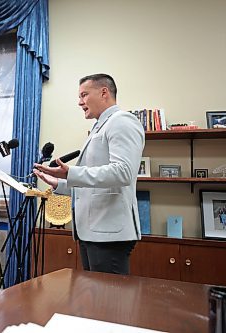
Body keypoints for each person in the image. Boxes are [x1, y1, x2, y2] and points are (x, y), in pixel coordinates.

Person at [33, 74, 145, 275]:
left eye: (84, 95)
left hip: (108, 233)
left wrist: (72, 173)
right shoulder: (97, 128)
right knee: (95, 298)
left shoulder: (122, 121)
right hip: (91, 231)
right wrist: (59, 183)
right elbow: (91, 184)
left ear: (104, 92)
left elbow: (123, 172)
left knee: (109, 300)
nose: (79, 102)